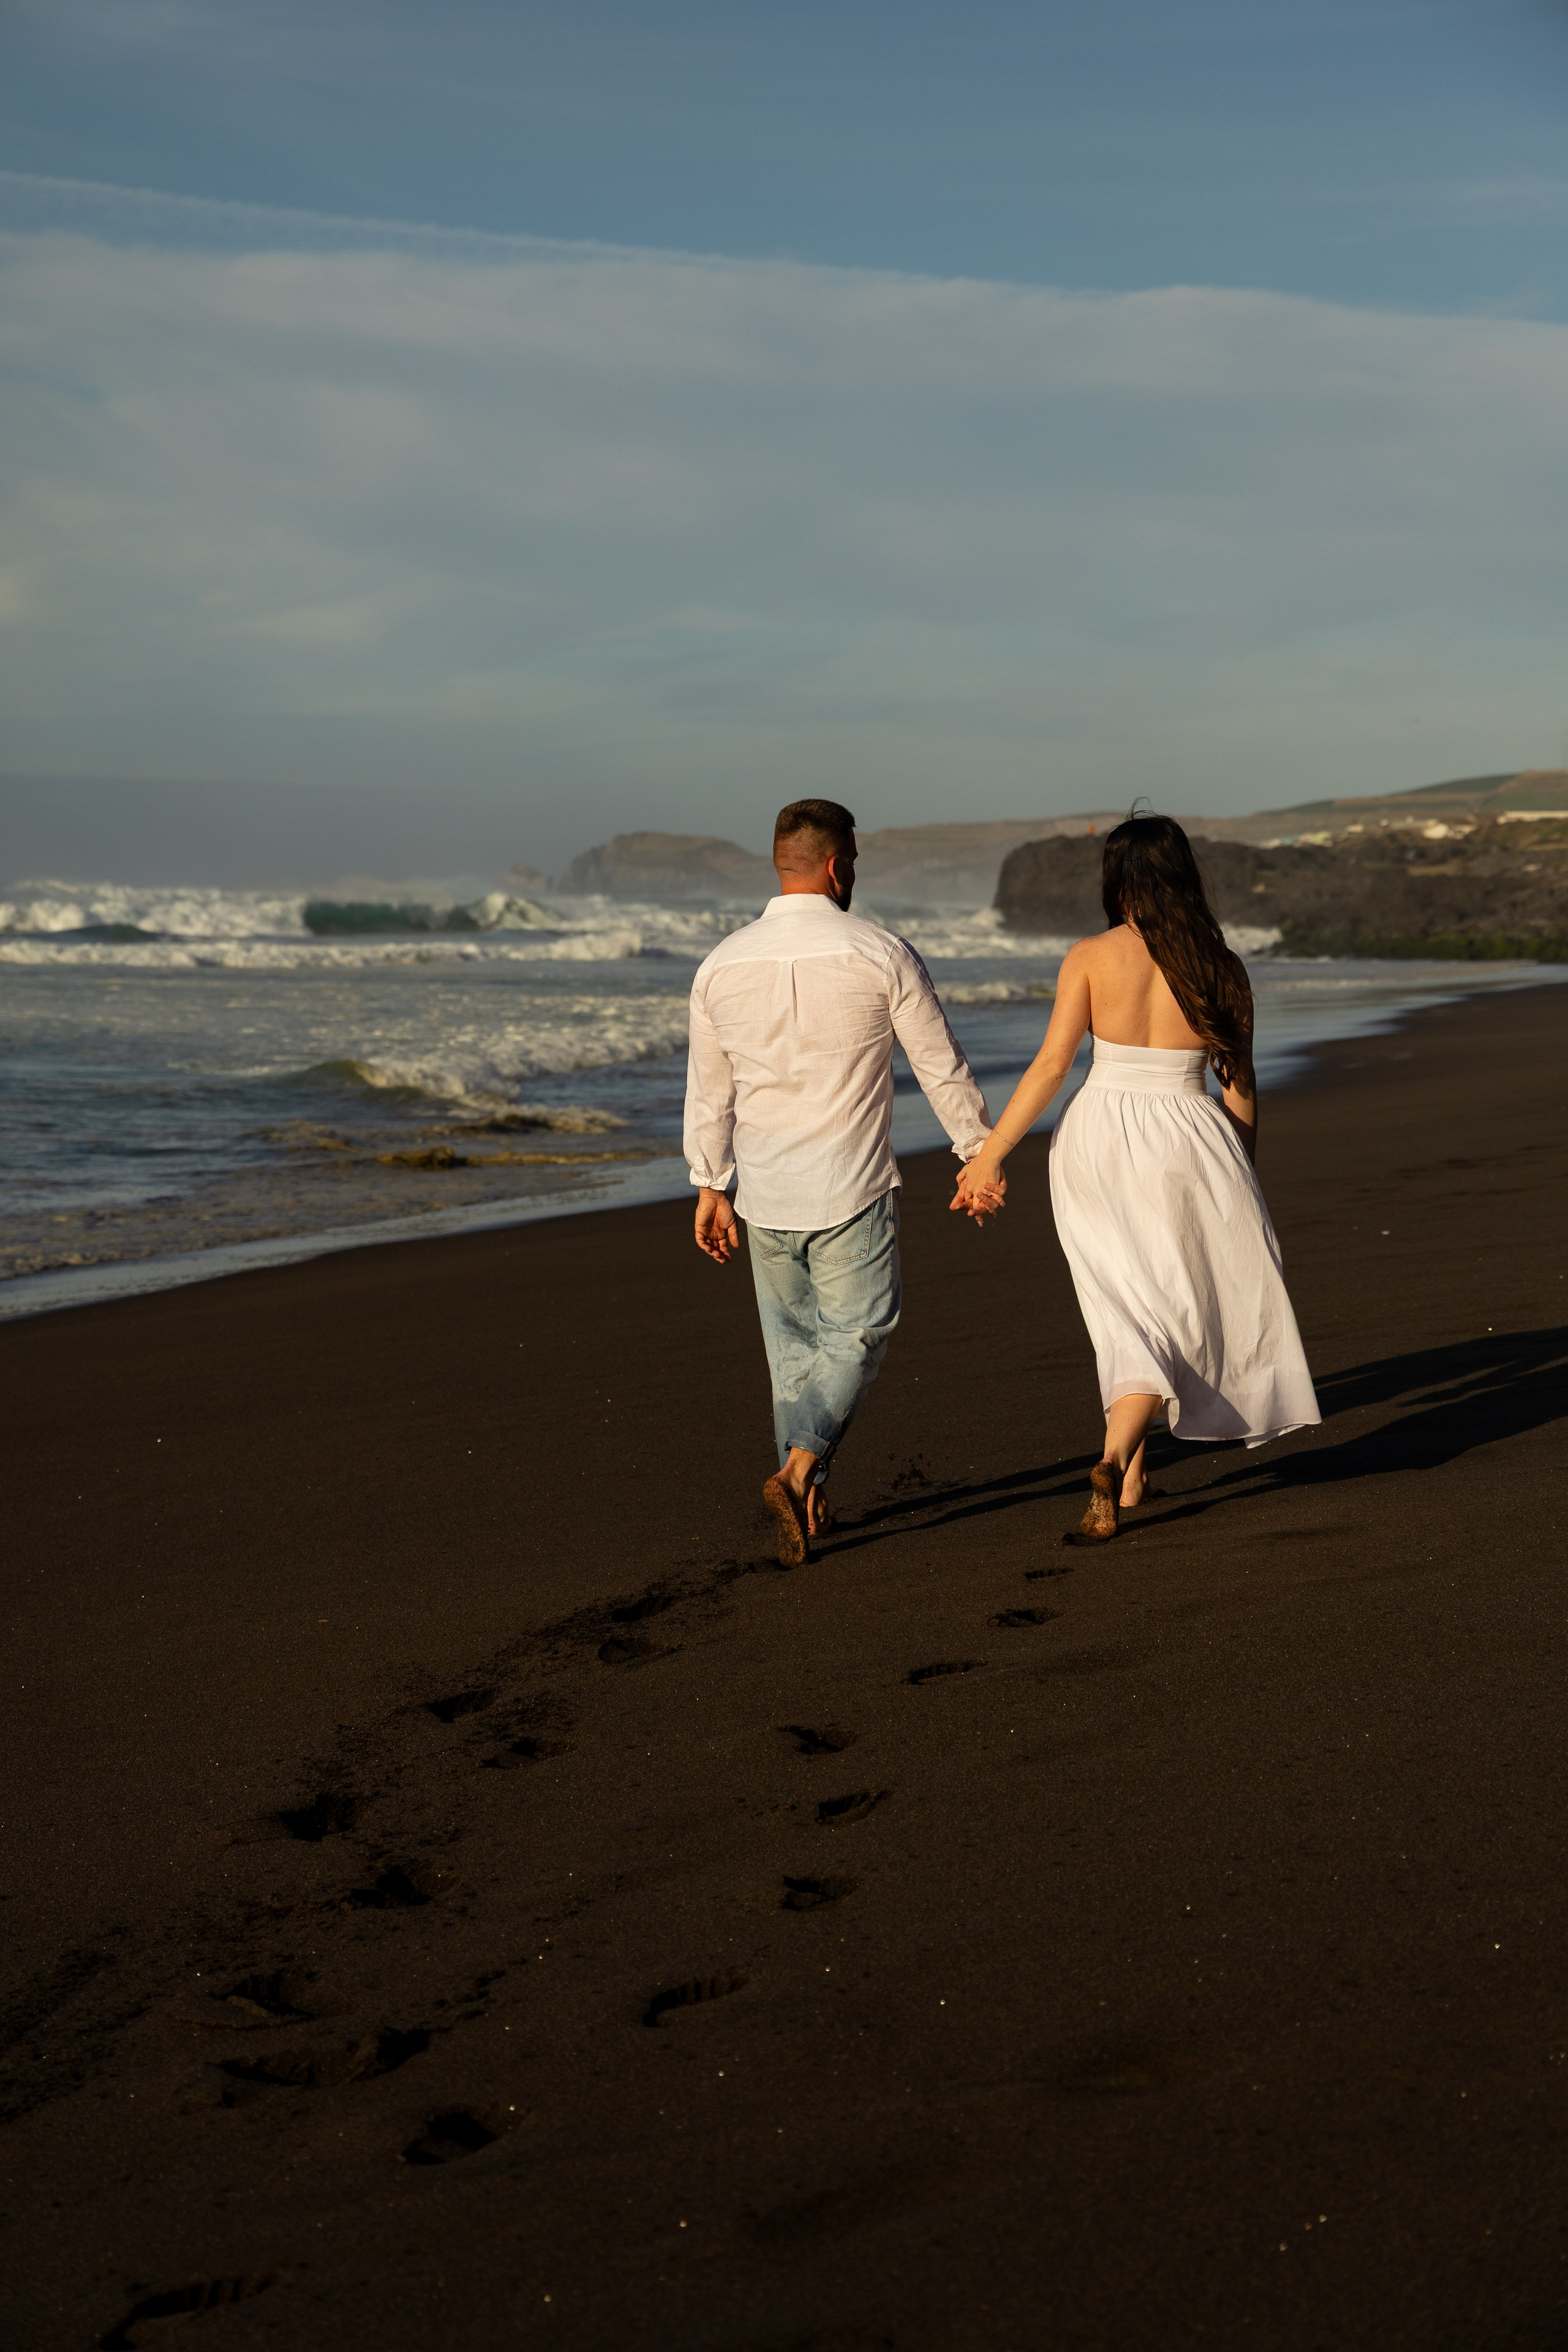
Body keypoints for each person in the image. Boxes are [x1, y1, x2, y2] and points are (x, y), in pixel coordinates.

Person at [954, 812, 1319, 1544]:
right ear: (1184, 875)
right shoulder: (1222, 966)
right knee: (1173, 1305)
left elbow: (1052, 1065)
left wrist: (990, 1155)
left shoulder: (1091, 956)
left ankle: (1121, 1466)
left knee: (1123, 1304)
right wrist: (1238, 1173)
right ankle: (1123, 1469)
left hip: (1098, 1136)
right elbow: (1239, 1084)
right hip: (1191, 1136)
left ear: (1116, 881)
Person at [685, 797, 998, 1565]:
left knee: (793, 1354)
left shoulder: (720, 963)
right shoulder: (879, 951)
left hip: (763, 1191)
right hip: (849, 1183)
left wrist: (710, 1184)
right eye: (852, 861)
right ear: (836, 865)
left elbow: (709, 1090)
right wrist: (976, 1153)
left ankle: (807, 1491)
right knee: (861, 1332)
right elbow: (938, 1064)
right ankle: (796, 1472)